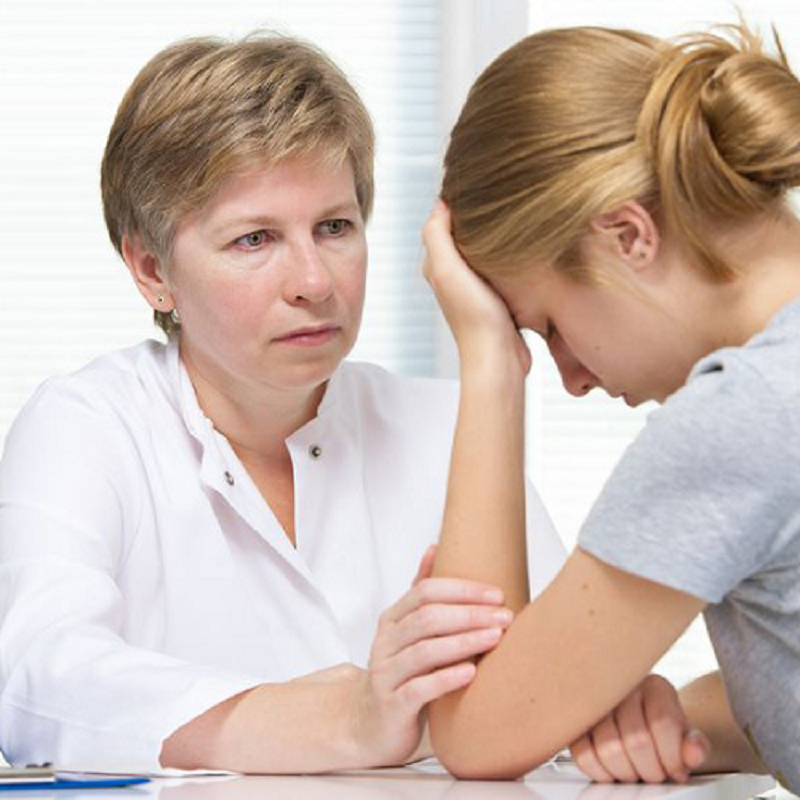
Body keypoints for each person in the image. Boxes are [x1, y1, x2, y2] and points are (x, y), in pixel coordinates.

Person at [0, 34, 566, 773]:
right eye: (254, 239)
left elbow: (558, 686)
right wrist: (352, 719)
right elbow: (36, 679)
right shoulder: (87, 425)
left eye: (335, 227)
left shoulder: (445, 426)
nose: (314, 281)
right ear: (151, 269)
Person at [420, 21, 800, 793]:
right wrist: (675, 722)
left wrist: (490, 363)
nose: (570, 379)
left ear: (627, 235)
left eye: (548, 327)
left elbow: (475, 730)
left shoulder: (743, 415)